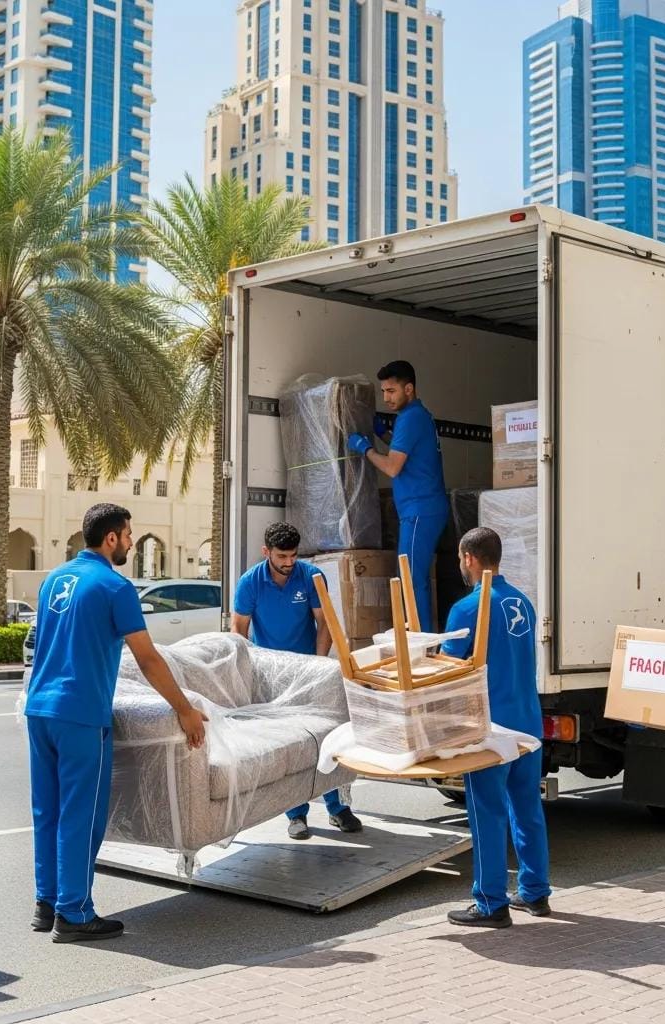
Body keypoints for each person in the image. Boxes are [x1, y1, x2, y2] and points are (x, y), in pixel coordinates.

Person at [25, 503, 207, 943]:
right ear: (111, 538)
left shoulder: (55, 579)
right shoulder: (114, 586)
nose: (130, 541)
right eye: (128, 535)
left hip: (39, 708)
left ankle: (46, 902)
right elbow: (147, 658)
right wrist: (184, 709)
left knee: (46, 810)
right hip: (80, 713)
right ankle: (74, 912)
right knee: (82, 814)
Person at [440, 527, 551, 928]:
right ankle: (536, 893)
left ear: (469, 558)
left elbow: (449, 667)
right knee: (526, 807)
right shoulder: (522, 601)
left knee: (486, 811)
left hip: (491, 727)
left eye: (459, 558)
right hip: (528, 721)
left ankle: (490, 902)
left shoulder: (469, 607)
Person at [230, 521, 363, 841]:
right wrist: (248, 675)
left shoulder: (310, 576)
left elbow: (325, 623)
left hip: (308, 668)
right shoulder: (250, 583)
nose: (289, 562)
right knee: (291, 744)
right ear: (267, 553)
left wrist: (316, 664)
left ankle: (337, 807)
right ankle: (297, 813)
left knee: (325, 737)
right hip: (272, 676)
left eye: (292, 555)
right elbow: (238, 632)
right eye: (282, 556)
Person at [347, 360, 448, 631]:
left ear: (409, 388)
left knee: (412, 579)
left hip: (420, 511)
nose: (386, 398)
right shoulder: (418, 415)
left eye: (391, 391)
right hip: (424, 509)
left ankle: (421, 644)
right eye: (383, 392)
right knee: (414, 578)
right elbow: (404, 451)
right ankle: (420, 637)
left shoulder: (410, 418)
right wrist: (383, 435)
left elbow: (393, 466)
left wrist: (366, 448)